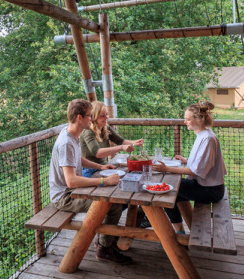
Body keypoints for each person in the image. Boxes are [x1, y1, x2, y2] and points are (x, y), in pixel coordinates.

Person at [49, 99, 133, 264]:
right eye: (89, 116)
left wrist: (100, 168)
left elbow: (78, 159)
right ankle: (104, 248)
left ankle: (107, 243)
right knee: (111, 204)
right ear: (79, 117)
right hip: (65, 196)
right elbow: (71, 181)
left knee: (113, 199)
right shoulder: (66, 142)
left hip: (72, 191)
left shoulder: (71, 134)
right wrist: (104, 181)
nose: (92, 119)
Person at [152, 101, 226, 236]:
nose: (184, 122)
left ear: (199, 119)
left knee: (167, 188)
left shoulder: (208, 139)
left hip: (210, 191)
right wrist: (187, 161)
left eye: (187, 119)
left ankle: (177, 230)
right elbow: (204, 164)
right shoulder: (204, 135)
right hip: (207, 187)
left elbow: (194, 171)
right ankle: (178, 229)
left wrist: (166, 168)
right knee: (172, 189)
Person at [80, 101, 144, 178]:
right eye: (102, 116)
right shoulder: (88, 131)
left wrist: (134, 142)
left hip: (104, 167)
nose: (106, 117)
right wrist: (121, 147)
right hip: (90, 170)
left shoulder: (105, 127)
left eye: (106, 114)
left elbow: (120, 141)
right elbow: (98, 153)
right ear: (94, 117)